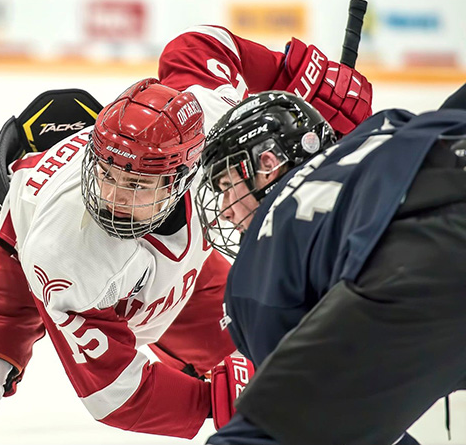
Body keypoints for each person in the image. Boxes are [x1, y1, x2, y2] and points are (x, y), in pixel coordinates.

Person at [0, 26, 373, 445]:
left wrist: (296, 72)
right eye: (106, 173)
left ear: (182, 176)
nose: (112, 195)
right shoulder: (68, 244)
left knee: (291, 362)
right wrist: (210, 402)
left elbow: (199, 46)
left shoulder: (203, 120)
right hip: (6, 252)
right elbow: (116, 395)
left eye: (135, 183)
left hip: (169, 272)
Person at [197, 87, 466, 445]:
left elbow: (328, 416)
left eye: (228, 185)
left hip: (428, 265)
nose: (227, 210)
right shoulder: (374, 129)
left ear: (267, 163)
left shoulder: (255, 266)